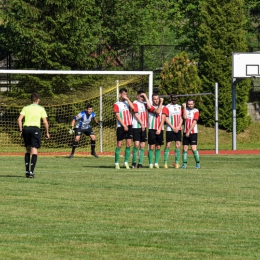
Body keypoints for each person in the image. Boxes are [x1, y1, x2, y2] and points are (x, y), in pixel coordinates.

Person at [17, 93, 50, 178]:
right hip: (35, 129)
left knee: (28, 149)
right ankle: (31, 172)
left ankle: (27, 171)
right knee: (34, 150)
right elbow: (45, 122)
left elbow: (19, 119)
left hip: (26, 129)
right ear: (38, 99)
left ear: (31, 99)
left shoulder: (26, 108)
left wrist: (21, 130)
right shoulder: (41, 108)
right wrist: (47, 132)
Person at [114, 88, 134, 169]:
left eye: (126, 94)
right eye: (123, 94)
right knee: (119, 144)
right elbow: (118, 116)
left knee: (129, 144)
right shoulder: (116, 104)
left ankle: (126, 162)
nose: (125, 95)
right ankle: (116, 163)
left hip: (129, 125)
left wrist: (128, 99)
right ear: (120, 94)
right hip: (121, 126)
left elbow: (133, 108)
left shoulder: (127, 103)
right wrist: (124, 125)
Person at [131, 90, 152, 168]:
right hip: (136, 126)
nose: (142, 98)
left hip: (144, 127)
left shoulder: (144, 104)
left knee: (143, 145)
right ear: (137, 96)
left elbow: (150, 107)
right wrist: (142, 123)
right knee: (136, 144)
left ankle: (140, 163)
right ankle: (134, 162)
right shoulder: (135, 103)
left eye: (143, 97)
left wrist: (146, 97)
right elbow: (136, 114)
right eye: (141, 96)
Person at [164, 93, 184, 169]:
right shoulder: (167, 107)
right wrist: (172, 127)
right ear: (170, 98)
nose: (174, 99)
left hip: (178, 129)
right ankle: (165, 163)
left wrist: (178, 126)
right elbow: (165, 118)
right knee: (168, 145)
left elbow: (182, 118)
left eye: (176, 98)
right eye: (173, 98)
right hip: (170, 129)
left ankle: (177, 163)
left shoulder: (179, 107)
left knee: (178, 145)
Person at [147, 94, 166, 169]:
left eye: (157, 99)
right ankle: (151, 163)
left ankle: (156, 163)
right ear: (152, 100)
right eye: (154, 99)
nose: (156, 100)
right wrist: (161, 102)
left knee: (158, 147)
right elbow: (158, 112)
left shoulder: (164, 108)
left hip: (160, 129)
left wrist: (159, 128)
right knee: (151, 146)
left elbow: (163, 118)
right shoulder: (150, 107)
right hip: (152, 129)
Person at [181, 99, 200, 169]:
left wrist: (189, 131)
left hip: (193, 132)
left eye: (191, 104)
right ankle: (184, 164)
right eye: (189, 104)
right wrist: (185, 108)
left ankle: (198, 163)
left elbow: (194, 122)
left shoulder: (196, 111)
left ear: (194, 104)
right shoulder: (184, 110)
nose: (190, 105)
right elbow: (185, 117)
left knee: (193, 148)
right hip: (185, 132)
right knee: (185, 148)